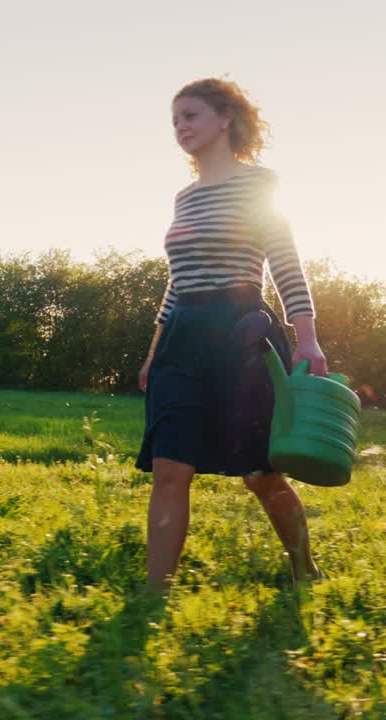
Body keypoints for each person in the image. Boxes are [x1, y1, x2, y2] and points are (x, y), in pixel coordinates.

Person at [137, 79, 325, 591]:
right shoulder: (185, 198)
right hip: (183, 337)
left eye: (190, 116)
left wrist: (307, 338)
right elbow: (177, 282)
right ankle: (155, 594)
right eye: (175, 120)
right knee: (169, 466)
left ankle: (304, 566)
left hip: (242, 335)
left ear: (225, 118)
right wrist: (156, 351)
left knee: (260, 471)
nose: (181, 128)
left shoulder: (258, 185)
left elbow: (285, 265)